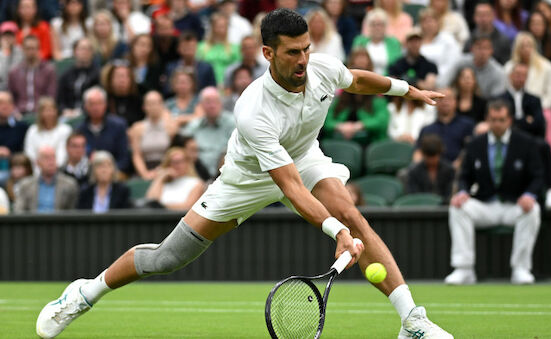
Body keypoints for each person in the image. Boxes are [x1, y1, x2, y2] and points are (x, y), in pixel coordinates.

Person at [35, 9, 451, 339]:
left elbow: (356, 80)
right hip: (247, 177)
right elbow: (287, 185)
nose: (303, 59)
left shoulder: (320, 66)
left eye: (306, 49)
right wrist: (332, 231)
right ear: (267, 53)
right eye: (292, 52)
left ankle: (412, 322)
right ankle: (84, 293)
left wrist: (405, 89)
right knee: (168, 257)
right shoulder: (254, 110)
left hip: (305, 157)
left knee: (354, 218)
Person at [446, 99, 543, 285]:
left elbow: (538, 176)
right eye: (493, 119)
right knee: (457, 208)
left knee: (533, 209)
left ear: (510, 120)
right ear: (487, 120)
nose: (497, 124)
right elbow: (465, 175)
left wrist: (529, 195)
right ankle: (464, 268)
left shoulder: (526, 143)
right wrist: (463, 192)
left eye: (502, 119)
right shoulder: (475, 144)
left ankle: (520, 268)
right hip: (486, 206)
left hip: (514, 206)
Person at [501, 63, 551, 208]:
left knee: (544, 146)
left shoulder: (534, 99)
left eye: (523, 76)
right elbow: (504, 123)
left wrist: (516, 121)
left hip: (530, 140)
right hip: (506, 138)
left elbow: (539, 124)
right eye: (517, 75)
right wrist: (526, 120)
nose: (520, 78)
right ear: (510, 76)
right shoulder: (501, 99)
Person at [504, 32, 551, 175]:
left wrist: (538, 108)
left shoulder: (547, 67)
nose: (525, 49)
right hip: (514, 112)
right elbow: (506, 93)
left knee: (545, 117)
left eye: (529, 45)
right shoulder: (509, 67)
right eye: (522, 46)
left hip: (540, 108)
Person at [323, 48, 390, 145]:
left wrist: (361, 125)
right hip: (341, 142)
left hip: (369, 143)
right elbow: (327, 121)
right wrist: (340, 126)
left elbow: (382, 121)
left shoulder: (376, 95)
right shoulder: (341, 95)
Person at [181, 87, 236, 178]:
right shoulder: (194, 125)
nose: (212, 105)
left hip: (227, 172)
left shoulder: (232, 123)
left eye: (215, 101)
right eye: (207, 102)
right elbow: (181, 143)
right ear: (201, 105)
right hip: (198, 174)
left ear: (220, 103)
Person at [76, 86, 130, 174]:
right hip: (88, 174)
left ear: (105, 105)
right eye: (92, 104)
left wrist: (107, 170)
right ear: (85, 106)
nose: (95, 108)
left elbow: (124, 159)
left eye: (99, 103)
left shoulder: (118, 126)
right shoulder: (79, 130)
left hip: (115, 174)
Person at [416, 88, 475, 167]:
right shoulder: (427, 129)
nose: (445, 102)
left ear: (456, 101)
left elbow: (471, 149)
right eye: (441, 99)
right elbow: (418, 153)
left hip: (460, 171)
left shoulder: (467, 125)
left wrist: (459, 164)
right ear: (435, 103)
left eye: (449, 99)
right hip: (431, 171)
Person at [14, 145, 79, 213]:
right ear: (37, 162)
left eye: (53, 157)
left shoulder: (70, 185)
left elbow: (72, 214)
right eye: (46, 158)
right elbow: (19, 211)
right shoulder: (25, 185)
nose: (51, 161)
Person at [129, 91, 178, 180]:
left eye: (156, 103)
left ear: (162, 105)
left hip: (167, 168)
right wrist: (145, 174)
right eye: (150, 104)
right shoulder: (137, 128)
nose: (153, 107)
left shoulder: (171, 126)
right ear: (144, 107)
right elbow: (137, 155)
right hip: (145, 168)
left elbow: (173, 152)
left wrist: (163, 170)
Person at [441, 34, 506, 99]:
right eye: (479, 47)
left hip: (485, 105)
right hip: (458, 103)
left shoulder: (498, 72)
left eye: (486, 48)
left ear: (491, 50)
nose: (483, 52)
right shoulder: (461, 62)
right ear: (472, 49)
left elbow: (497, 99)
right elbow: (442, 83)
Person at [8, 35, 56, 115]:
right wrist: (14, 111)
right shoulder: (14, 72)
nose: (31, 52)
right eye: (28, 48)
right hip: (19, 113)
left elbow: (51, 96)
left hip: (41, 114)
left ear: (38, 49)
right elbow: (11, 97)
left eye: (33, 48)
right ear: (23, 49)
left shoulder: (48, 70)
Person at [23, 97, 72, 168]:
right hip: (36, 169)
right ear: (40, 113)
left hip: (58, 169)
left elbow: (63, 154)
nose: (49, 114)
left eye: (52, 110)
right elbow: (29, 153)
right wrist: (39, 167)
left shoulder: (65, 130)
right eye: (46, 111)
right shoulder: (32, 130)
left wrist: (52, 167)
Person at [405, 134, 455, 203]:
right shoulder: (414, 171)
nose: (431, 160)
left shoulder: (449, 170)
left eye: (434, 156)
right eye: (428, 157)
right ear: (423, 154)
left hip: (443, 209)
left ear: (439, 153)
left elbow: (449, 194)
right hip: (420, 208)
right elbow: (412, 195)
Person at [196, 12, 242, 87]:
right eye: (218, 26)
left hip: (227, 86)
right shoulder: (201, 47)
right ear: (212, 27)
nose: (221, 29)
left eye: (223, 26)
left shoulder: (234, 48)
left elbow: (237, 69)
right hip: (206, 85)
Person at [164, 31, 216, 96]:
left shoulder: (207, 68)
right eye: (185, 47)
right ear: (178, 48)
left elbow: (212, 90)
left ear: (197, 47)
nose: (188, 49)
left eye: (191, 46)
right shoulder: (170, 67)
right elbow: (167, 89)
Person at [418, 8, 461, 86]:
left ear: (438, 22)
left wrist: (437, 82)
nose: (429, 24)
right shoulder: (415, 39)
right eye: (425, 21)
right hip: (419, 85)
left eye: (432, 21)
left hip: (442, 85)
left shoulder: (448, 39)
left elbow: (452, 64)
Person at [352, 8, 402, 75]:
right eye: (373, 24)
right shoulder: (359, 41)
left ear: (385, 26)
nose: (377, 28)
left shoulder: (393, 43)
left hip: (388, 79)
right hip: (364, 79)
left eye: (380, 24)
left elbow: (396, 65)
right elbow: (353, 63)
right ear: (368, 26)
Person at [101, 60, 144, 127]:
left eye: (125, 76)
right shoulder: (103, 98)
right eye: (118, 76)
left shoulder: (141, 97)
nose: (122, 80)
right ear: (110, 79)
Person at [0, 91, 28, 179]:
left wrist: (10, 155)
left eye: (8, 103)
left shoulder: (22, 127)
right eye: (1, 103)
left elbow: (26, 153)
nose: (5, 106)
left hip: (15, 170)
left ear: (13, 106)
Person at [0, 21, 23, 91]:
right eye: (5, 35)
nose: (8, 38)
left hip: (17, 87)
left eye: (11, 35)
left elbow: (13, 74)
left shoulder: (21, 51)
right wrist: (5, 53)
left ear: (15, 37)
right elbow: (2, 75)